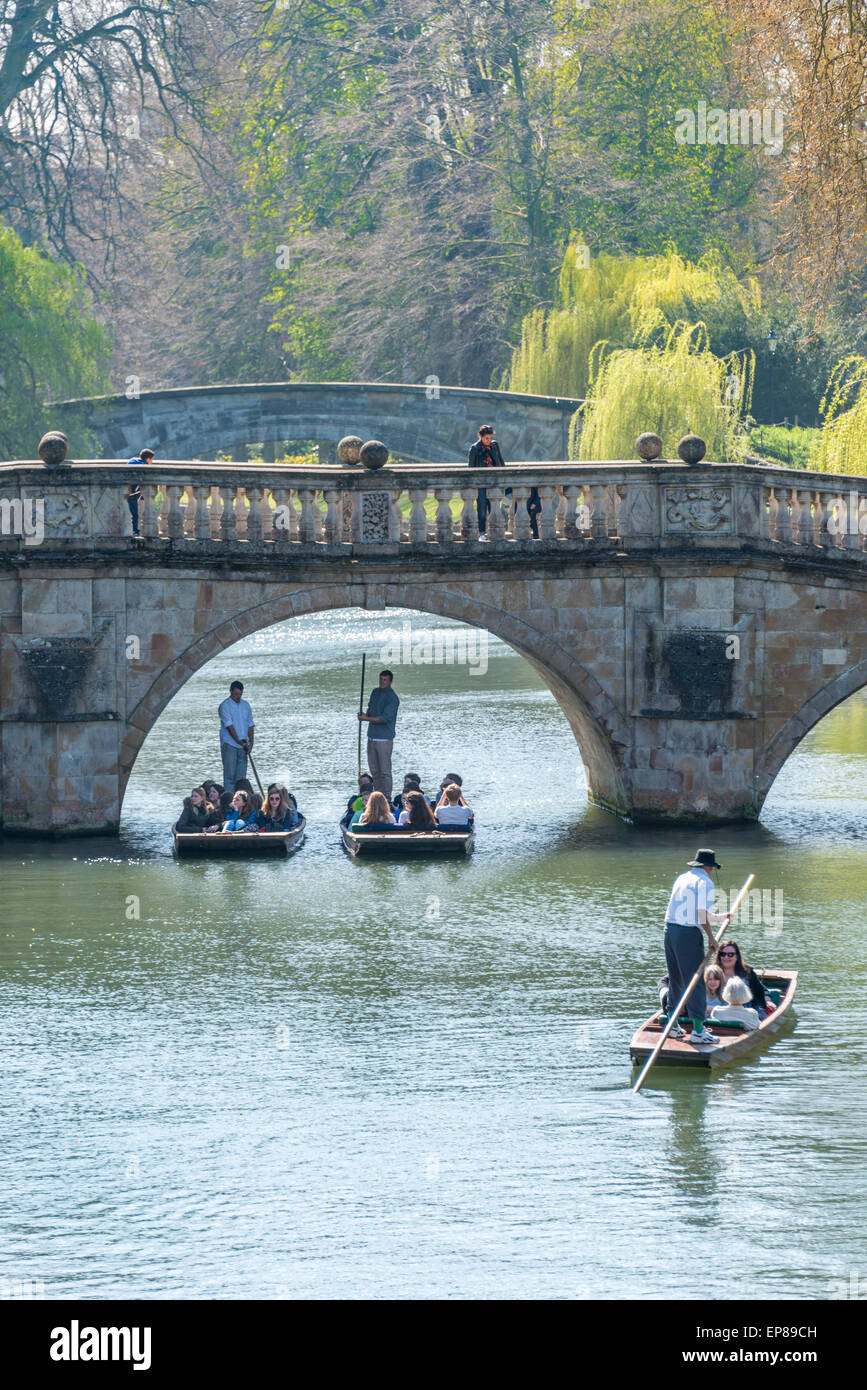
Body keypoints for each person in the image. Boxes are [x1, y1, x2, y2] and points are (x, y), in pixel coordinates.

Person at [663, 848, 733, 1047]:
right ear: (709, 867)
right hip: (687, 934)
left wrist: (721, 917)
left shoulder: (683, 878)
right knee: (696, 980)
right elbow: (701, 915)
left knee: (675, 978)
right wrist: (711, 938)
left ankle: (672, 1024)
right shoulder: (705, 882)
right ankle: (699, 1031)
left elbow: (697, 913)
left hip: (670, 930)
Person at [467, 425, 541, 540]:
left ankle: (495, 531)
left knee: (495, 508)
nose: (489, 440)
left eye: (490, 438)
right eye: (487, 438)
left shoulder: (494, 445)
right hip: (481, 484)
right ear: (480, 436)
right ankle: (482, 533)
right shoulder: (475, 448)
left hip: (495, 482)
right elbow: (471, 468)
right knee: (482, 509)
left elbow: (500, 461)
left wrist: (503, 477)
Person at [358, 669, 399, 800]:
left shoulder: (393, 698)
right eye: (381, 679)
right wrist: (365, 714)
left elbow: (384, 718)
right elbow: (371, 709)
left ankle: (386, 797)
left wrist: (366, 719)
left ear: (390, 681)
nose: (382, 682)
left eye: (385, 680)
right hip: (371, 736)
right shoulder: (375, 692)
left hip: (384, 739)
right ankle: (377, 796)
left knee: (385, 771)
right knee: (374, 770)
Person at [715, 940, 769, 1017]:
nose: (726, 957)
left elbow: (761, 990)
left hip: (746, 1012)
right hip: (720, 1012)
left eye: (730, 954)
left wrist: (768, 1002)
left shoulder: (747, 973)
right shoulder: (712, 974)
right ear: (719, 956)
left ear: (737, 956)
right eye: (722, 954)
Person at [219, 680, 254, 790]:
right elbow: (229, 726)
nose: (237, 697)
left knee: (241, 778)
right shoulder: (225, 706)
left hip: (243, 745)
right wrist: (238, 741)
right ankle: (230, 800)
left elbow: (250, 724)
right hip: (230, 744)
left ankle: (241, 801)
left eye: (240, 694)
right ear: (230, 692)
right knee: (229, 776)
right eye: (235, 694)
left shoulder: (246, 705)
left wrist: (251, 742)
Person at [126, 448, 154, 539]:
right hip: (132, 492)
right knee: (134, 514)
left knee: (128, 512)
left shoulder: (132, 460)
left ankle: (130, 529)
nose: (152, 462)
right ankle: (135, 531)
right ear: (148, 459)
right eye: (152, 460)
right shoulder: (143, 466)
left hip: (124, 489)